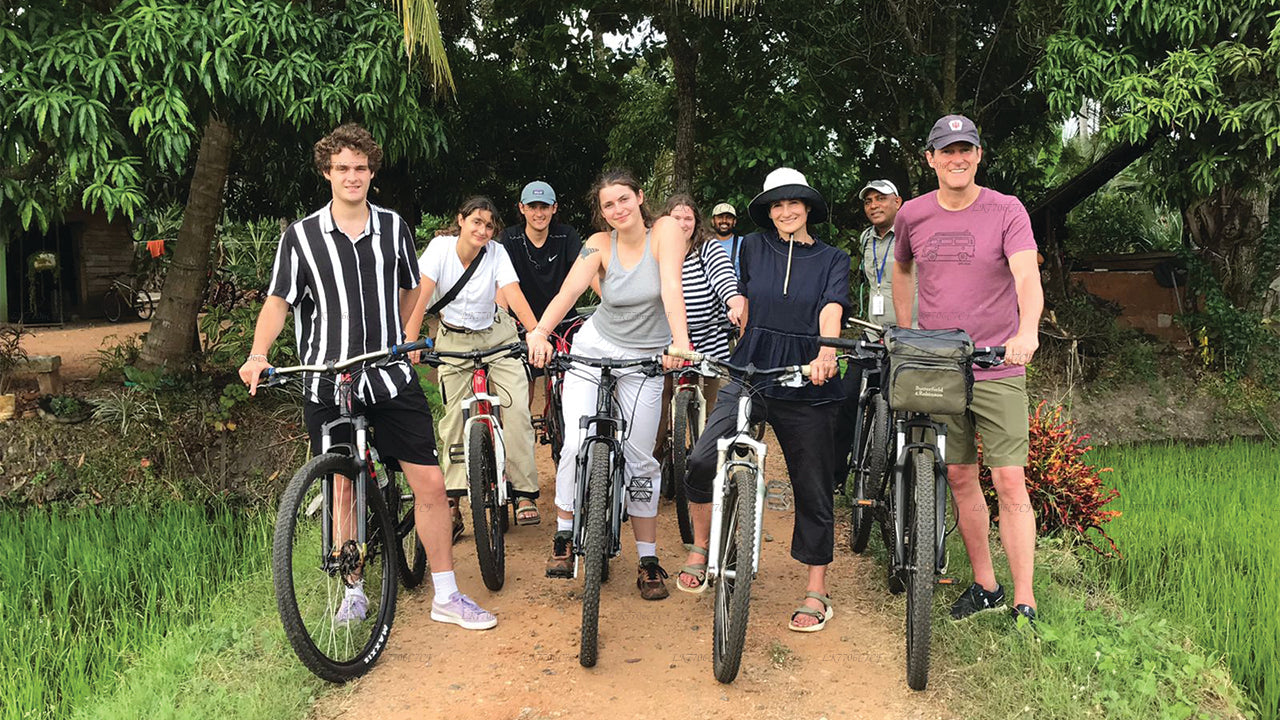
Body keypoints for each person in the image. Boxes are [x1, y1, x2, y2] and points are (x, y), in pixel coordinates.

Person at [237, 123, 496, 631]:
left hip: (389, 375)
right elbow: (278, 301)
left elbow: (410, 288)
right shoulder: (301, 237)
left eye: (360, 167)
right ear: (327, 173)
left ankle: (447, 594)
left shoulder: (394, 228)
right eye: (342, 168)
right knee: (341, 488)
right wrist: (257, 354)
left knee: (430, 482)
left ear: (372, 172)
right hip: (328, 381)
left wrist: (402, 332)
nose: (351, 176)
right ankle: (352, 591)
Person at [675, 168, 850, 633]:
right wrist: (736, 310)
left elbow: (831, 308)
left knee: (813, 484)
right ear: (768, 212)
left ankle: (816, 588)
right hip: (751, 368)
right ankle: (701, 547)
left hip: (806, 376)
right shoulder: (751, 246)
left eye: (794, 203)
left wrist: (826, 352)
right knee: (701, 458)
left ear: (807, 207)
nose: (786, 211)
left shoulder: (834, 258)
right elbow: (739, 293)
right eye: (777, 205)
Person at [892, 114, 1043, 623]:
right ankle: (986, 585)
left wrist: (1027, 331)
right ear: (930, 159)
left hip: (998, 364)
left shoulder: (1006, 209)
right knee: (958, 474)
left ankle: (1025, 600)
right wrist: (906, 331)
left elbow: (1026, 276)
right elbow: (902, 267)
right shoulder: (912, 214)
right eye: (947, 151)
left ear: (979, 155)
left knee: (1009, 478)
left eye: (966, 149)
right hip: (940, 367)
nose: (957, 159)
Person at [527, 169, 691, 600]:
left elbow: (671, 286)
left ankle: (648, 559)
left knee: (640, 458)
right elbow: (568, 292)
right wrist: (540, 332)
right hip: (595, 346)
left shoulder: (665, 231)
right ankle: (564, 535)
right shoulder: (599, 244)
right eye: (608, 205)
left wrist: (680, 342)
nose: (618, 209)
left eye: (623, 199)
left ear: (640, 197)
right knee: (575, 442)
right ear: (602, 213)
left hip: (645, 357)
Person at [403, 197, 542, 532]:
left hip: (496, 335)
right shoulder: (440, 250)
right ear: (461, 220)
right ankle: (452, 500)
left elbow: (513, 293)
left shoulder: (496, 253)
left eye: (489, 226)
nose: (482, 230)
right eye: (476, 222)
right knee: (453, 417)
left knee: (516, 408)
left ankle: (524, 492)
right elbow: (421, 296)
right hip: (453, 338)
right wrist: (410, 339)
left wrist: (536, 333)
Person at [832, 178, 916, 488]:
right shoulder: (866, 239)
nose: (873, 205)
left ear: (898, 202)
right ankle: (836, 477)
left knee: (910, 410)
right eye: (868, 201)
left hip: (910, 337)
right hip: (872, 336)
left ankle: (906, 483)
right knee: (845, 399)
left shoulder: (914, 235)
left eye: (880, 198)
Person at [654, 194, 745, 454]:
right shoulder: (655, 251)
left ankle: (706, 460)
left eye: (688, 218)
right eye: (676, 218)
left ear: (697, 222)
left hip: (708, 340)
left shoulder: (708, 249)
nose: (682, 224)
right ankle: (655, 457)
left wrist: (735, 303)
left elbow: (725, 279)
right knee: (658, 404)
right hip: (665, 342)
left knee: (711, 413)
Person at [497, 181, 586, 324]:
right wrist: (503, 321)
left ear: (554, 208)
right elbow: (503, 285)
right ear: (522, 208)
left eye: (544, 207)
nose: (539, 214)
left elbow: (587, 269)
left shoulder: (567, 235)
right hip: (521, 323)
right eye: (532, 207)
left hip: (564, 321)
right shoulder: (509, 238)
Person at [709, 202, 744, 277]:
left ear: (734, 222)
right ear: (713, 221)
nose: (724, 221)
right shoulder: (705, 245)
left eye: (729, 217)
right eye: (720, 217)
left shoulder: (744, 243)